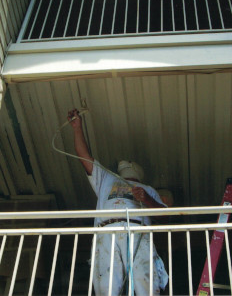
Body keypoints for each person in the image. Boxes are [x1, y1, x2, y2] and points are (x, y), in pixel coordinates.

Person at [67, 109, 168, 295]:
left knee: (143, 278)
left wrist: (146, 198)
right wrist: (77, 128)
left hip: (138, 231)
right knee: (106, 283)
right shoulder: (106, 178)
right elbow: (84, 156)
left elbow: (165, 214)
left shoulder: (148, 188)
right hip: (107, 231)